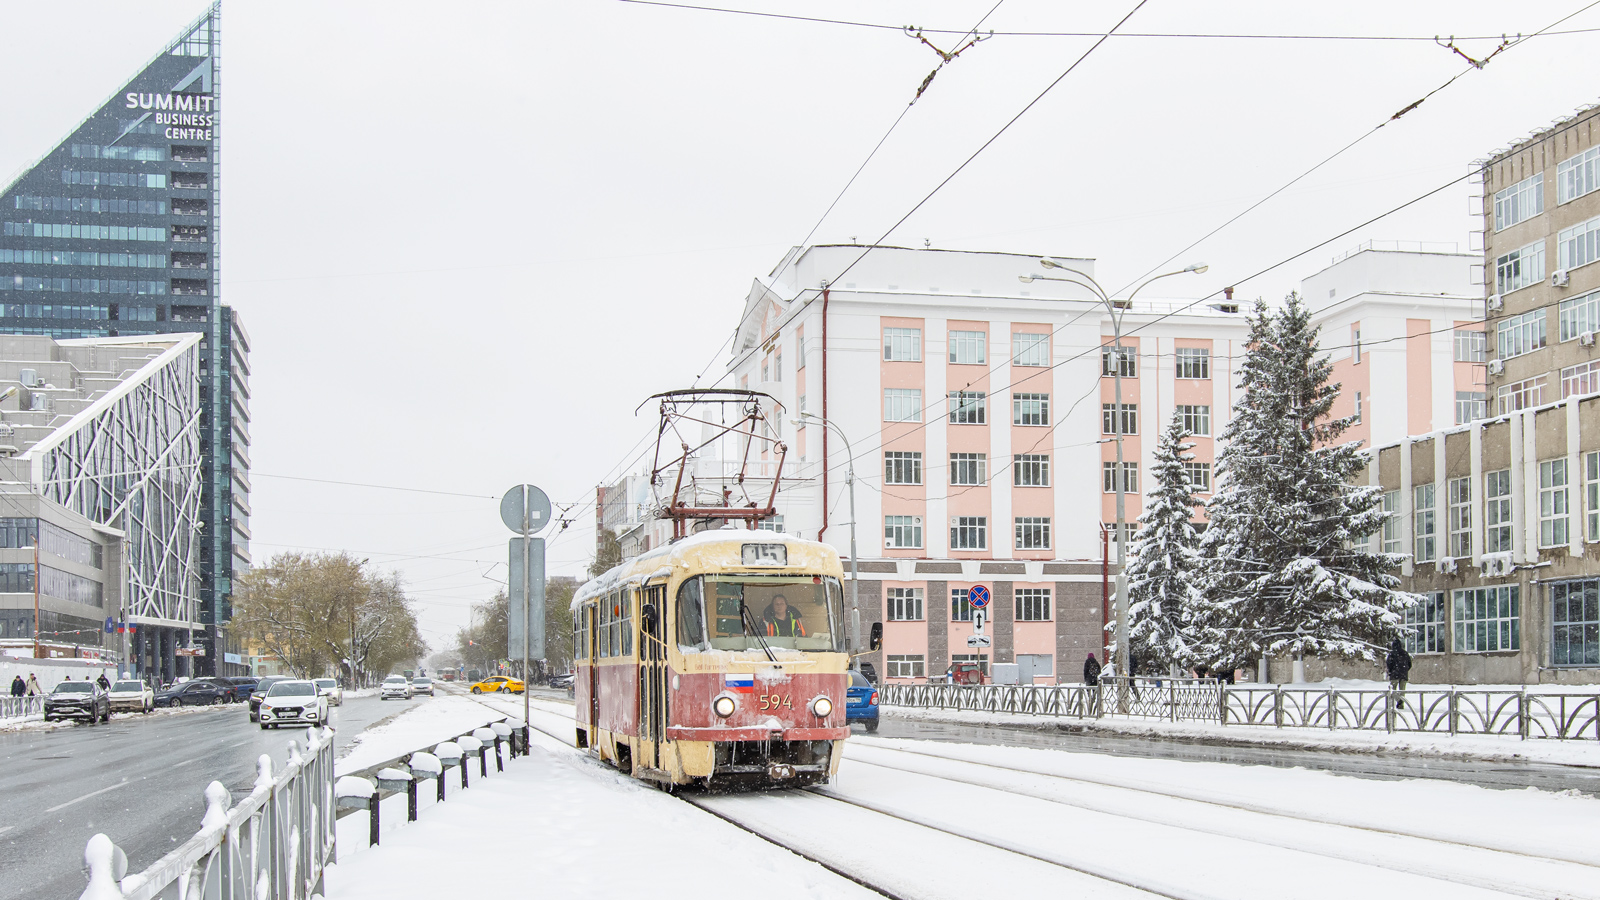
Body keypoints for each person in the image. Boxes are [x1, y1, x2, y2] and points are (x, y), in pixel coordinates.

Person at [1386, 638, 1413, 709]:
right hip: (1404, 675)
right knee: (1402, 690)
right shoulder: (1405, 653)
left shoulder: (1392, 653)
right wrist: (1404, 670)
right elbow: (1409, 664)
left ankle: (1398, 700)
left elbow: (1389, 664)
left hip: (1394, 674)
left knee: (1392, 690)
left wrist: (1391, 671)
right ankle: (1401, 703)